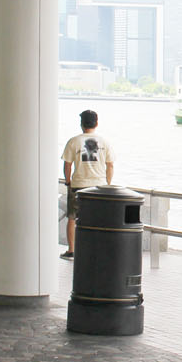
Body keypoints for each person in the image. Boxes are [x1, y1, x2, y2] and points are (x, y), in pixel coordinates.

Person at [60, 109, 114, 259]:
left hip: (78, 184)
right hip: (99, 186)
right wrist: (107, 183)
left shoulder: (74, 141)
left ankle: (72, 250)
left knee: (72, 218)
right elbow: (110, 165)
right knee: (99, 218)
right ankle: (97, 250)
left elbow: (67, 165)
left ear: (81, 123)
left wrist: (68, 181)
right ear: (96, 123)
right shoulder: (104, 142)